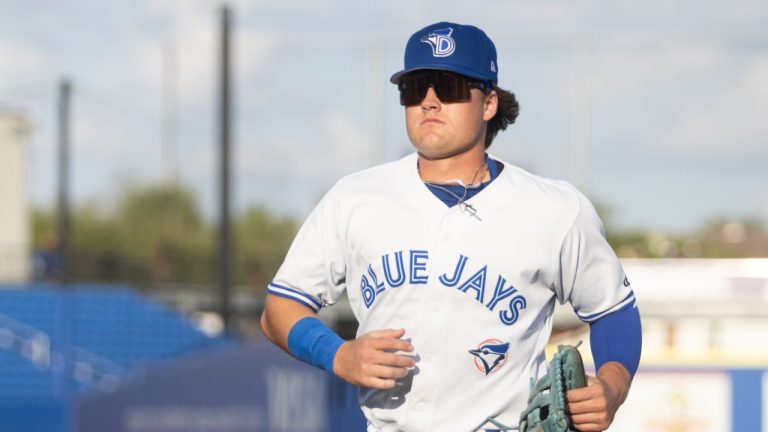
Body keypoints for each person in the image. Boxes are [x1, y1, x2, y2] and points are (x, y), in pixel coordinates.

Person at [260, 21, 642, 432]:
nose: (429, 101)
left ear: (489, 102)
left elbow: (613, 312)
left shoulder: (554, 209)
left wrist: (612, 387)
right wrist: (337, 354)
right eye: (415, 88)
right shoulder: (355, 198)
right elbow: (279, 309)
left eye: (449, 87)